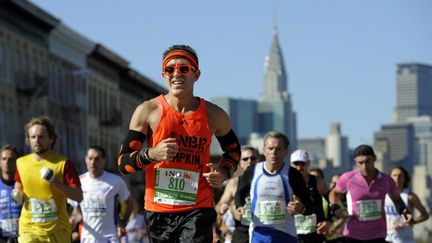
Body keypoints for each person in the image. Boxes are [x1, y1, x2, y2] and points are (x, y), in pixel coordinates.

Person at [117, 44, 241, 243]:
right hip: (158, 209)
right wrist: (151, 154)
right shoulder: (148, 110)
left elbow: (233, 151)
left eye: (184, 68)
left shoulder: (213, 114)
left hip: (197, 207)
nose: (176, 74)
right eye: (170, 69)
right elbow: (123, 164)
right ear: (164, 74)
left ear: (196, 74)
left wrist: (224, 173)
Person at [13, 116, 83, 242]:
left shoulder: (63, 163)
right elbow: (19, 186)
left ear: (51, 138)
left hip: (57, 230)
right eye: (33, 137)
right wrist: (17, 194)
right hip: (29, 228)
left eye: (41, 137)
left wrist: (55, 183)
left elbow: (78, 196)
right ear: (28, 140)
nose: (36, 140)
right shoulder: (21, 163)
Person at [235, 131, 311, 243]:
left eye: (278, 149)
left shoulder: (293, 174)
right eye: (270, 148)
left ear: (285, 151)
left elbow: (308, 201)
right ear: (264, 150)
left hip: (285, 233)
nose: (273, 152)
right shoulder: (252, 171)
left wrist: (300, 208)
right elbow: (240, 193)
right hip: (259, 232)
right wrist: (239, 207)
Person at [329, 144, 412, 243]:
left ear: (375, 159)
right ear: (355, 162)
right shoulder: (348, 178)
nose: (364, 166)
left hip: (378, 234)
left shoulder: (386, 180)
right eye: (360, 163)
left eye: (368, 161)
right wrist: (336, 207)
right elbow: (334, 193)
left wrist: (405, 212)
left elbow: (397, 200)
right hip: (354, 234)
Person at [70, 145, 133, 242]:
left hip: (109, 237)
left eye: (97, 159)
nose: (93, 162)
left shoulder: (115, 181)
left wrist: (123, 222)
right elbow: (76, 211)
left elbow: (129, 202)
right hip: (88, 238)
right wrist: (73, 220)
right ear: (86, 159)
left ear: (104, 161)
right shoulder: (79, 182)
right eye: (90, 158)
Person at [215, 145, 259, 243]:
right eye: (245, 159)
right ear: (240, 163)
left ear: (258, 160)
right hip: (242, 230)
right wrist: (223, 207)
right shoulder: (234, 183)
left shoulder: (265, 181)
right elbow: (219, 206)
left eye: (253, 158)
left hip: (263, 229)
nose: (249, 161)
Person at [289, 149, 330, 243]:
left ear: (308, 164)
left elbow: (330, 199)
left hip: (315, 234)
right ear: (291, 165)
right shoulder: (286, 183)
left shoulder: (316, 181)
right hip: (294, 235)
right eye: (296, 164)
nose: (299, 167)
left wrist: (328, 220)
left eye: (302, 163)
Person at [384, 165, 429, 243]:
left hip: (405, 239)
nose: (397, 178)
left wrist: (413, 222)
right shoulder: (384, 195)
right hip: (387, 238)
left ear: (405, 179)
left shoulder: (410, 196)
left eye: (400, 176)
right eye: (394, 175)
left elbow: (425, 215)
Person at [0, 145, 21, 243]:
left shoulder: (24, 186)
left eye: (11, 159)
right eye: (4, 159)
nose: (7, 162)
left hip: (23, 238)